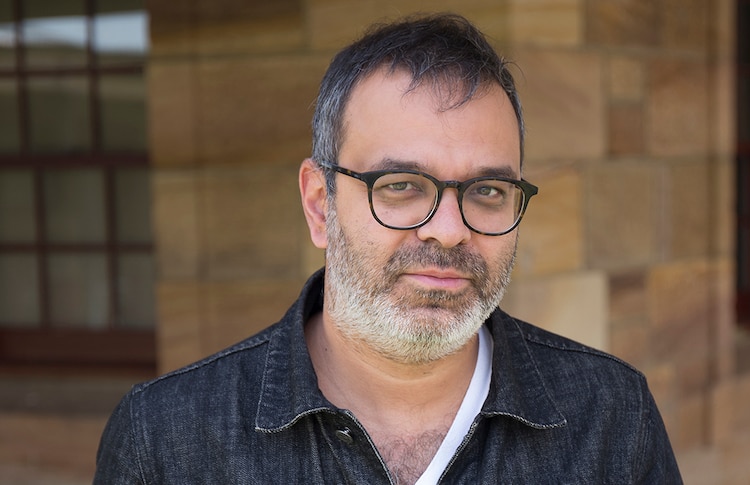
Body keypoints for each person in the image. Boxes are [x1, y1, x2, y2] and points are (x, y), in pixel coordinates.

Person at [95, 13, 682, 484]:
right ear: (320, 203)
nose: (449, 230)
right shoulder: (167, 441)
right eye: (400, 186)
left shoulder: (610, 419)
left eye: (487, 190)